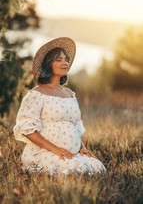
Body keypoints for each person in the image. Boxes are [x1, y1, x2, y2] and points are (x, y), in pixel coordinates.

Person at [13, 37, 106, 176]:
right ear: (48, 64)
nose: (65, 63)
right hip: (44, 153)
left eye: (66, 59)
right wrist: (55, 149)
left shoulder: (69, 94)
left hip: (71, 153)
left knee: (98, 168)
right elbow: (27, 130)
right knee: (75, 170)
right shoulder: (36, 94)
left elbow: (74, 126)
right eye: (59, 60)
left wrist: (82, 147)